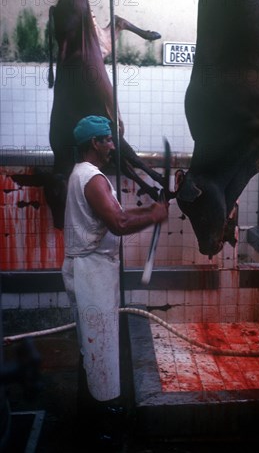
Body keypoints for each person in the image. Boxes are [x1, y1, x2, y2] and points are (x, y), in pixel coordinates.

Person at [61, 115, 168, 444]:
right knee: (99, 344)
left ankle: (93, 412)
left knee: (93, 344)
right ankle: (99, 426)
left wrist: (150, 210)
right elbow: (120, 223)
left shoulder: (84, 175)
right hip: (91, 271)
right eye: (107, 140)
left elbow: (114, 217)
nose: (112, 146)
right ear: (94, 143)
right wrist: (153, 216)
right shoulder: (92, 179)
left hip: (90, 267)